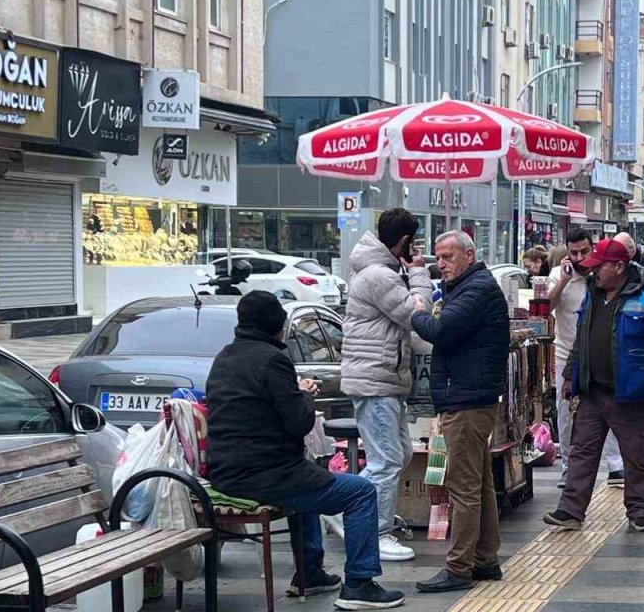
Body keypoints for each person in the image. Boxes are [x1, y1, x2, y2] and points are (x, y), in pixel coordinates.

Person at [206, 291, 405, 609]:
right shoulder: (274, 360)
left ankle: (310, 574)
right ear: (279, 326)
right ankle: (359, 583)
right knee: (361, 492)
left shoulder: (224, 357)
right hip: (265, 475)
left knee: (312, 478)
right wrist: (303, 394)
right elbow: (298, 422)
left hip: (224, 471)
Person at [544, 239, 644, 534]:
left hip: (631, 393)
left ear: (619, 267)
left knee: (638, 454)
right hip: (593, 391)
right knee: (582, 452)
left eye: (600, 266)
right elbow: (581, 339)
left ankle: (640, 510)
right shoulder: (593, 295)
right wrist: (571, 374)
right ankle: (570, 510)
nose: (593, 272)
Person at [410, 231, 510, 593]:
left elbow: (441, 329)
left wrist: (416, 313)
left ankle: (459, 567)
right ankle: (485, 559)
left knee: (463, 486)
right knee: (479, 484)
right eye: (438, 257)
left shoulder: (476, 289)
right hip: (471, 397)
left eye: (448, 257)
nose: (442, 264)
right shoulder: (469, 286)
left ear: (469, 255)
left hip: (467, 401)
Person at [341, 209, 434, 562]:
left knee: (399, 454)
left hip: (384, 378)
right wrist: (420, 274)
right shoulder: (380, 275)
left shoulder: (381, 270)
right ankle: (375, 531)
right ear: (406, 241)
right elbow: (415, 315)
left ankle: (346, 508)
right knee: (386, 459)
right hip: (375, 379)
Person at [549, 229, 625, 489]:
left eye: (585, 251)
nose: (580, 257)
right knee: (566, 413)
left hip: (599, 356)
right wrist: (562, 280)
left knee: (611, 407)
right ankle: (568, 467)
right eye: (574, 252)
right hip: (565, 355)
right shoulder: (560, 276)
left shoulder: (601, 276)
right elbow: (544, 307)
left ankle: (616, 465)